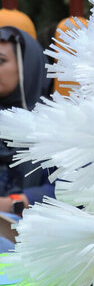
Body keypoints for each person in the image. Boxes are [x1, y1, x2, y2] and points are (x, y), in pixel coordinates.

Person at [0, 26, 52, 217]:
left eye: (0, 61)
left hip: (42, 233)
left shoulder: (59, 126)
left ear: (28, 67)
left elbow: (70, 191)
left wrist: (13, 203)